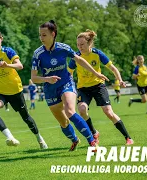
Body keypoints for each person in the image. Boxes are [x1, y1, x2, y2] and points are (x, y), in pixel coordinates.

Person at [31, 20, 107, 151]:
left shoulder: (63, 48)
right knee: (63, 122)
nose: (41, 38)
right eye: (40, 35)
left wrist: (96, 73)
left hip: (66, 83)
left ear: (53, 34)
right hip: (50, 90)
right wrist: (47, 79)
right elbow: (34, 78)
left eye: (44, 35)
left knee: (70, 111)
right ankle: (74, 140)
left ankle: (92, 142)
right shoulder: (38, 54)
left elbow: (80, 60)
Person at [0, 29, 48, 149]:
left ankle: (40, 139)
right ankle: (10, 137)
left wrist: (7, 65)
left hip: (15, 91)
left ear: (1, 39)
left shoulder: (8, 51)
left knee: (26, 118)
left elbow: (20, 65)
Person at [68, 30, 134, 145]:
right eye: (78, 45)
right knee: (82, 110)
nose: (79, 47)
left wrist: (120, 80)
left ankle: (128, 138)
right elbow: (69, 73)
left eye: (82, 44)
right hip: (83, 88)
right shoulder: (76, 57)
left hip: (98, 86)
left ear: (89, 44)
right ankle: (94, 132)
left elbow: (113, 68)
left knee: (108, 112)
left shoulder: (97, 54)